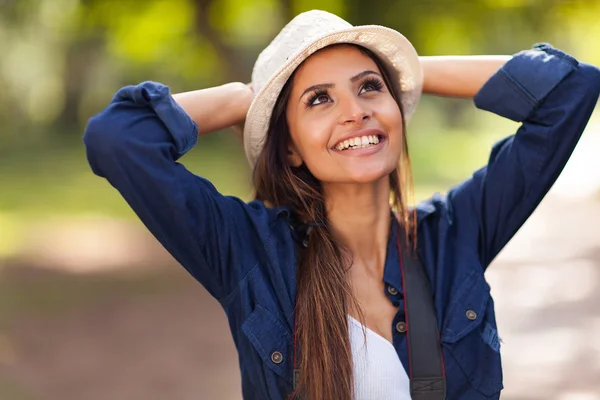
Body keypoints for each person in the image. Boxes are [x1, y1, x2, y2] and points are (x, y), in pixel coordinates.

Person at [83, 9, 600, 400]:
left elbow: (571, 89)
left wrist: (409, 71)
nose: (355, 112)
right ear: (289, 146)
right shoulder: (250, 253)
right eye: (319, 99)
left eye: (370, 88)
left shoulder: (455, 233)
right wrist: (251, 98)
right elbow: (117, 139)